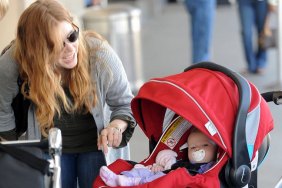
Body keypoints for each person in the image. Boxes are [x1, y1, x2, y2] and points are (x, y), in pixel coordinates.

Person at [0, 0, 136, 188]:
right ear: (36, 51)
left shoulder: (99, 55)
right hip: (48, 148)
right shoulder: (14, 63)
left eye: (71, 36)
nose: (71, 48)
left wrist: (116, 126)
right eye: (57, 46)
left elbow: (126, 104)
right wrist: (16, 152)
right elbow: (1, 109)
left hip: (95, 148)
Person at [99, 127, 218, 186]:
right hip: (163, 174)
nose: (197, 149)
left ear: (216, 149)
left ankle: (131, 182)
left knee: (159, 178)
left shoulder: (210, 168)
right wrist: (160, 167)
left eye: (204, 145)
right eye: (192, 147)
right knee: (143, 169)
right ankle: (121, 178)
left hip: (169, 181)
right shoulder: (184, 162)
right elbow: (169, 168)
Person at [237, 0, 277, 74]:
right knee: (246, 33)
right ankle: (251, 65)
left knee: (262, 32)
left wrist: (273, 2)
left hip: (262, 2)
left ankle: (261, 63)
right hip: (244, 2)